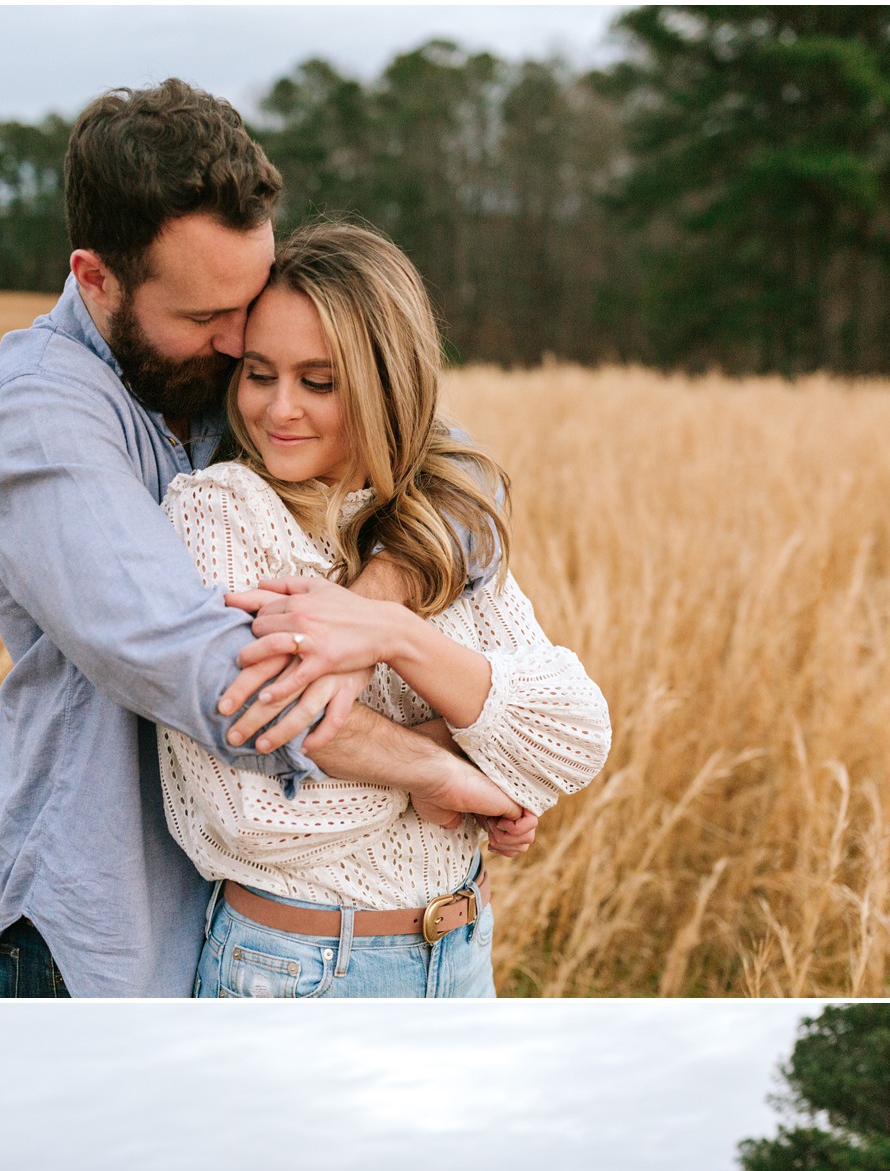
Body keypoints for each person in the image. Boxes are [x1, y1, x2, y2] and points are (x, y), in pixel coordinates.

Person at [0, 81, 519, 998]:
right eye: (203, 319)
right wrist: (429, 765)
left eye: (250, 302)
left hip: (272, 917)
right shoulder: (42, 409)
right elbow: (204, 667)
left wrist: (365, 614)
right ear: (94, 275)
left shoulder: (241, 374)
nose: (240, 348)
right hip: (116, 921)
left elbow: (460, 482)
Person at [156, 219, 614, 999]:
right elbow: (247, 812)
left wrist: (393, 635)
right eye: (260, 373)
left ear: (386, 382)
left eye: (319, 381)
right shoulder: (222, 512)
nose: (279, 410)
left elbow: (574, 737)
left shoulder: (437, 522)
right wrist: (450, 768)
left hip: (461, 952)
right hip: (295, 969)